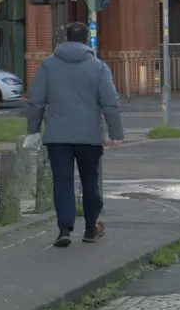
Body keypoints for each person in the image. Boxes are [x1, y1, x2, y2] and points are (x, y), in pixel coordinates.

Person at [24, 22, 125, 248]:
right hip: (89, 136)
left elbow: (36, 100)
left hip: (57, 136)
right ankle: (90, 228)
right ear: (87, 39)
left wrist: (33, 131)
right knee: (90, 182)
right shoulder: (98, 67)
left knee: (62, 182)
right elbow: (110, 102)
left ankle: (64, 229)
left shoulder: (48, 66)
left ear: (65, 38)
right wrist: (115, 132)